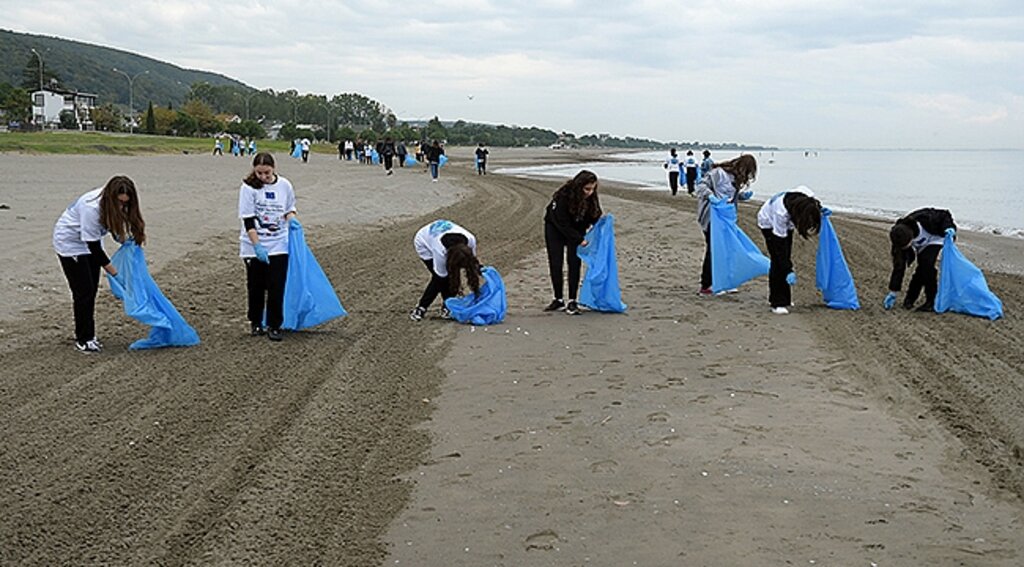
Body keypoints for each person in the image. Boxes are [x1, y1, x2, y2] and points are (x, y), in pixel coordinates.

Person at [53, 176, 145, 353]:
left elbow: (114, 228)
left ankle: (89, 334)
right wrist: (115, 273)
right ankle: (84, 339)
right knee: (84, 292)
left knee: (92, 288)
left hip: (90, 242)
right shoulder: (91, 208)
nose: (121, 207)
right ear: (111, 197)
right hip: (70, 244)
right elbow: (94, 248)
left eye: (125, 204)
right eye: (119, 202)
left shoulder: (118, 205)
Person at [238, 152, 297, 341]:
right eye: (259, 173)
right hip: (254, 244)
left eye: (266, 173)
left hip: (279, 242)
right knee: (256, 286)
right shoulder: (248, 188)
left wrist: (293, 221)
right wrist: (257, 246)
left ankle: (274, 324)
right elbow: (248, 221)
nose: (263, 177)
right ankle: (256, 322)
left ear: (274, 169)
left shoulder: (285, 185)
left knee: (276, 286)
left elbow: (289, 209)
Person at [695, 154, 757, 295]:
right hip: (711, 217)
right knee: (714, 250)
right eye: (746, 171)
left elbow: (729, 196)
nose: (746, 175)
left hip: (727, 218)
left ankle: (725, 282)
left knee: (728, 249)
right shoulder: (718, 173)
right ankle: (707, 285)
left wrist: (741, 196)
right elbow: (700, 186)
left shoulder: (735, 179)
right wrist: (711, 196)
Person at [543, 170, 603, 315]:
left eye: (593, 188)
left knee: (574, 262)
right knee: (556, 263)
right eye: (587, 189)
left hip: (577, 227)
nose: (590, 192)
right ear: (579, 186)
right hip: (555, 228)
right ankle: (558, 298)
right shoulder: (563, 195)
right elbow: (561, 222)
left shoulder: (591, 197)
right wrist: (578, 239)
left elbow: (594, 215)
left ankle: (572, 301)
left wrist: (601, 223)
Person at [756, 186, 822, 314]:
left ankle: (785, 299)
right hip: (768, 224)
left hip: (787, 221)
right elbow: (779, 248)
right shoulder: (780, 213)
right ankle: (777, 302)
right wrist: (788, 270)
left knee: (786, 256)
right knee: (778, 260)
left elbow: (812, 205)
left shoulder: (806, 195)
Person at [885, 208, 957, 312]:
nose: (905, 249)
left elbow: (944, 214)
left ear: (911, 238)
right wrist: (893, 290)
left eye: (907, 246)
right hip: (922, 245)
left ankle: (931, 300)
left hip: (937, 237)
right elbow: (899, 266)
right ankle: (910, 299)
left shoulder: (926, 218)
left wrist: (948, 227)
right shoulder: (898, 238)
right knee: (921, 269)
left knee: (927, 265)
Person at [410, 220, 480, 321]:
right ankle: (421, 308)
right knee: (442, 279)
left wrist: (479, 269)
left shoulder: (470, 240)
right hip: (424, 242)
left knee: (446, 278)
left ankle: (447, 306)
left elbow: (472, 262)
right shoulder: (440, 252)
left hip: (441, 232)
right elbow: (439, 277)